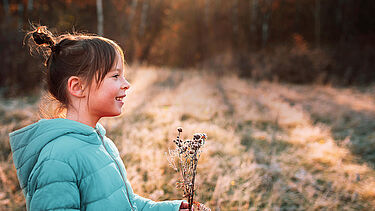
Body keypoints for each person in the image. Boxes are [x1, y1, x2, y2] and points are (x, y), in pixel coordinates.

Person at [9, 26, 190, 211]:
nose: (126, 84)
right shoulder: (57, 159)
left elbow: (128, 205)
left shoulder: (102, 143)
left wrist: (173, 209)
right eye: (116, 76)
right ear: (78, 87)